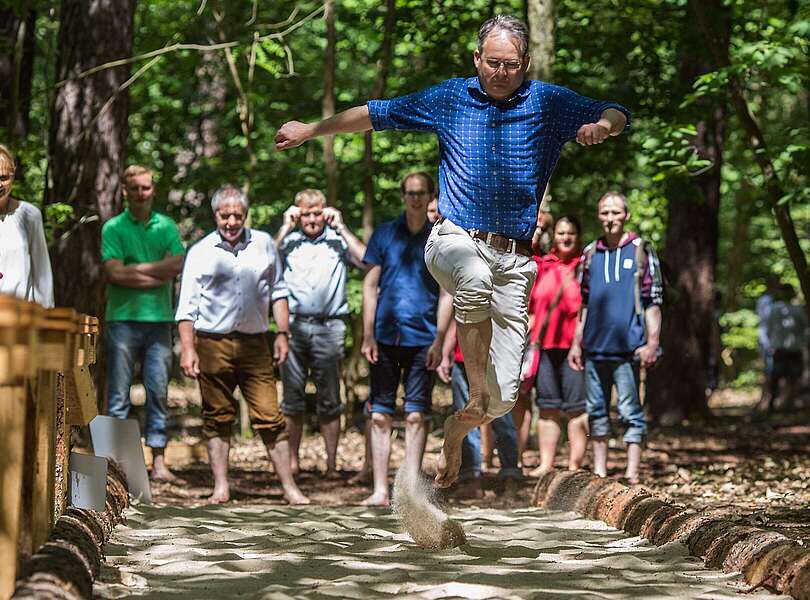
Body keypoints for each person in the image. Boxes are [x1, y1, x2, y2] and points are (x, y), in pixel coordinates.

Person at [275, 14, 630, 487]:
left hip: (515, 258)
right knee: (473, 279)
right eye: (492, 63)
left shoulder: (548, 103)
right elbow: (377, 113)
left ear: (525, 63)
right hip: (453, 241)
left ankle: (458, 428)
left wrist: (602, 126)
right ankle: (475, 388)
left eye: (511, 65)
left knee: (504, 398)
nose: (501, 73)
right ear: (477, 59)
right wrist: (310, 130)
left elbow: (615, 110)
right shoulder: (450, 98)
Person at [175, 185, 309, 505]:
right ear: (215, 215)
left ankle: (290, 488)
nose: (232, 221)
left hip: (255, 343)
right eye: (225, 215)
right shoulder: (200, 251)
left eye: (238, 215)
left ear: (246, 214)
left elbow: (278, 291)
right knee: (217, 415)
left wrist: (282, 333)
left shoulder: (263, 243)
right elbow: (186, 306)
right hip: (211, 343)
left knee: (269, 415)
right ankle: (221, 487)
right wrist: (188, 348)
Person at [360, 171, 453, 506]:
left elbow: (447, 295)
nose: (415, 198)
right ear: (403, 196)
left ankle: (410, 489)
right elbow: (370, 287)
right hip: (384, 337)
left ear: (431, 196)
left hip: (423, 339)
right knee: (380, 414)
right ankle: (381, 490)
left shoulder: (440, 239)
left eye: (421, 193)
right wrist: (367, 334)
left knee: (416, 415)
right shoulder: (384, 234)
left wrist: (440, 341)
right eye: (410, 193)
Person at [568, 192, 663, 485]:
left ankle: (632, 473)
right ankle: (600, 472)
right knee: (596, 411)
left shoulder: (640, 250)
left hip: (629, 348)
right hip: (595, 348)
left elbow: (653, 301)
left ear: (626, 216)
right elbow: (583, 303)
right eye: (605, 213)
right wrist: (576, 342)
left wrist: (652, 342)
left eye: (616, 213)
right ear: (599, 216)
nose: (610, 219)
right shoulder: (590, 254)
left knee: (630, 411)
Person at [275, 188, 367, 478]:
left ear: (326, 213)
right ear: (298, 214)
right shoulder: (288, 241)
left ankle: (330, 465)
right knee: (292, 400)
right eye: (306, 214)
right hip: (293, 326)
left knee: (330, 398)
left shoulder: (338, 240)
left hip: (330, 326)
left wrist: (342, 226)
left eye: (317, 213)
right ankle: (292, 464)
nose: (312, 219)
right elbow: (262, 263)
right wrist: (284, 227)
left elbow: (368, 261)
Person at [101, 165, 184, 482]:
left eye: (146, 188)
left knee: (158, 391)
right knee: (119, 393)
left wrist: (135, 270)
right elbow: (114, 273)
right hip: (121, 319)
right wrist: (156, 273)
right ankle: (116, 467)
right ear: (124, 190)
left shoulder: (166, 226)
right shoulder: (114, 228)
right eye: (134, 188)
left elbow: (176, 264)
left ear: (153, 190)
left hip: (159, 320)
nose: (140, 193)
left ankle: (159, 463)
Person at [516, 216, 588, 476]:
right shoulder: (543, 265)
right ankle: (546, 464)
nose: (565, 237)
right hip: (544, 346)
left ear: (578, 236)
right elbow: (526, 253)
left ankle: (574, 466)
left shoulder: (584, 267)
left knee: (576, 407)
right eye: (560, 233)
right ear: (554, 236)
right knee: (547, 406)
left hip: (574, 347)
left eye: (570, 233)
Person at [438, 321, 521, 499]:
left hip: (496, 359)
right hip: (463, 360)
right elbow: (459, 314)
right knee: (466, 416)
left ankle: (510, 476)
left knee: (502, 415)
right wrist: (445, 351)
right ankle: (471, 479)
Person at [0, 144, 54, 307]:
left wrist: (46, 317)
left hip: (20, 317)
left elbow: (42, 275)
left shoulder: (29, 215)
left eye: (3, 177)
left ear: (13, 176)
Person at [764, 283, 807, 412]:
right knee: (788, 378)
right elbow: (805, 329)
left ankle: (780, 405)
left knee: (778, 378)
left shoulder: (775, 309)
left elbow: (768, 330)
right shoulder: (796, 310)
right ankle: (783, 405)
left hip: (783, 349)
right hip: (789, 349)